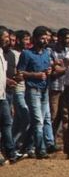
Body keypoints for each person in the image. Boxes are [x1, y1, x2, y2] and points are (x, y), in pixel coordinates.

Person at [17, 26, 53, 159]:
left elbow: (48, 68)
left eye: (46, 38)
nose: (44, 40)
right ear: (36, 38)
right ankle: (40, 149)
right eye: (42, 38)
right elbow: (20, 72)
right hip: (33, 90)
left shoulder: (46, 53)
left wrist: (49, 72)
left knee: (40, 120)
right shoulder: (27, 54)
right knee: (38, 121)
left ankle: (26, 146)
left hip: (44, 90)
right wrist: (35, 75)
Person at [0, 26, 20, 164]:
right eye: (6, 37)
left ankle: (11, 153)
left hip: (3, 94)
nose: (8, 40)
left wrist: (7, 81)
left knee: (7, 123)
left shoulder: (2, 52)